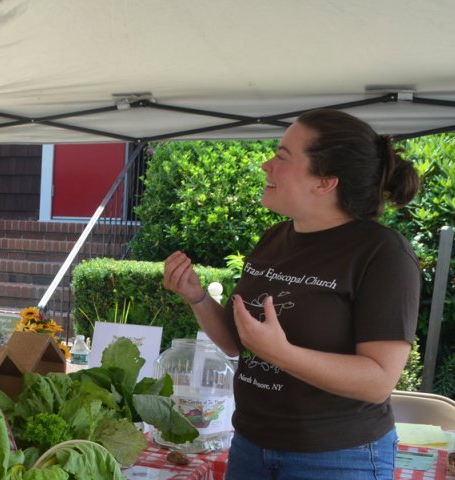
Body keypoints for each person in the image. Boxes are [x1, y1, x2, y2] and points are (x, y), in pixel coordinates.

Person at [163, 109, 422, 479]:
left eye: (282, 157)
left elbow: (378, 381)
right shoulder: (275, 239)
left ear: (325, 182)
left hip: (336, 457)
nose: (267, 165)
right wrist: (198, 298)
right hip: (252, 444)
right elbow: (240, 344)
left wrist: (282, 354)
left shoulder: (382, 252)